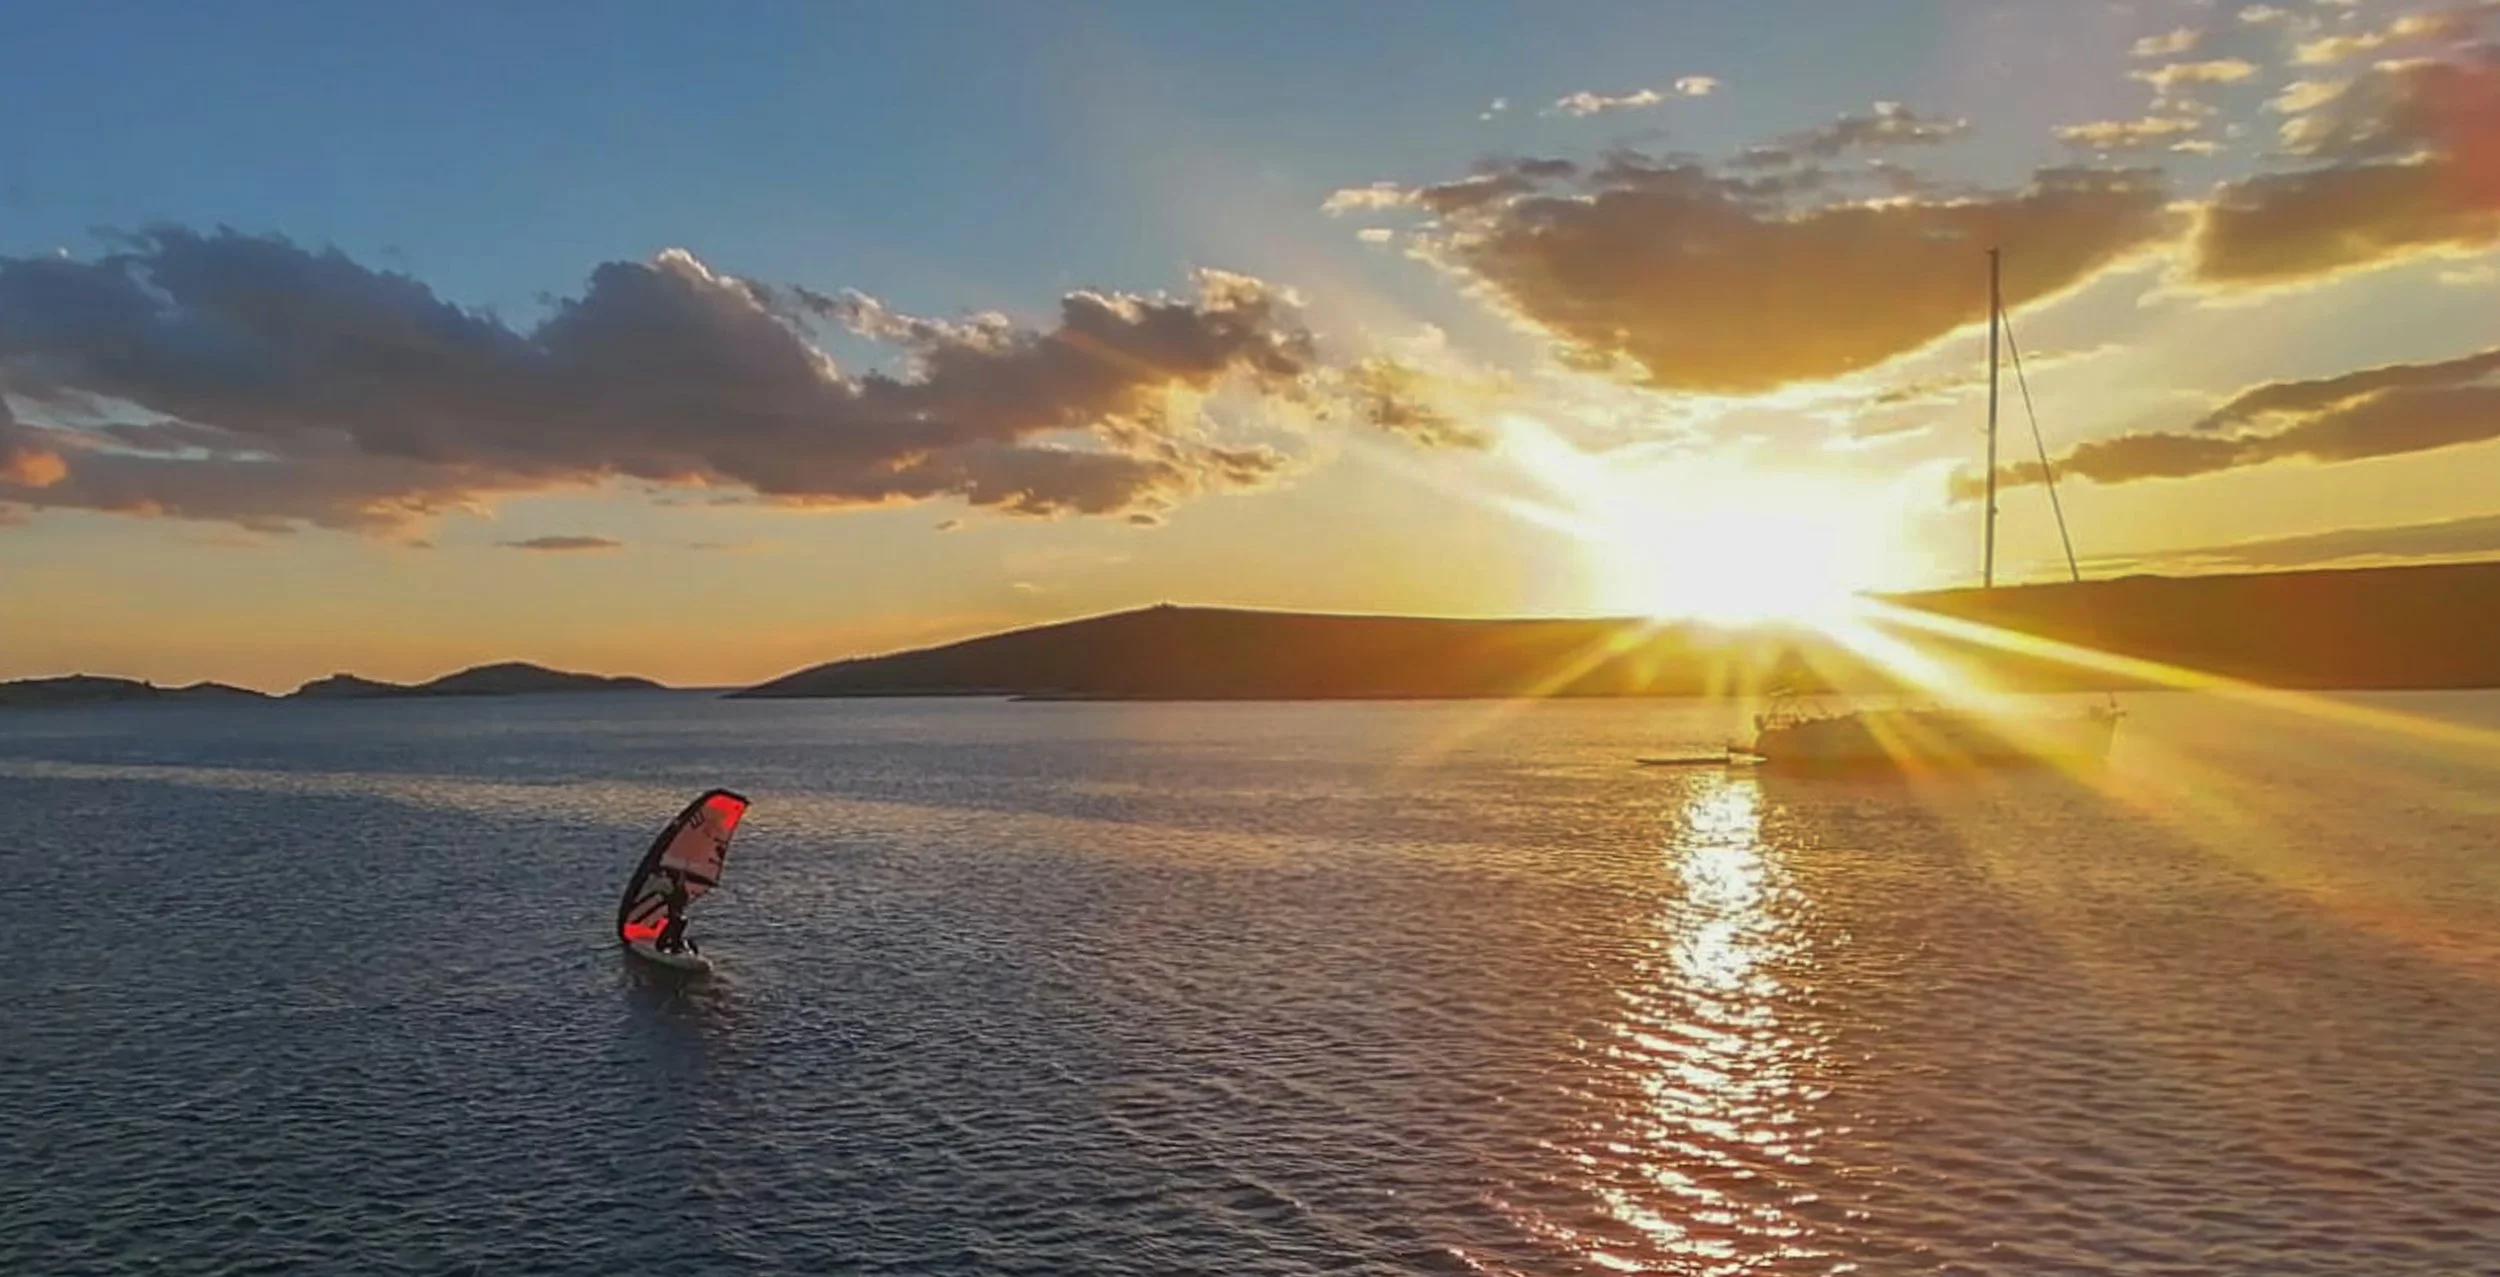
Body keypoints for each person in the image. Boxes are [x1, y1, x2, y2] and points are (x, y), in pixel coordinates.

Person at [655, 874, 692, 953]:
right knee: (669, 939)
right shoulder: (680, 891)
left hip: (676, 920)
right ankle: (678, 945)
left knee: (663, 943)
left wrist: (664, 895)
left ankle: (676, 947)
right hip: (678, 919)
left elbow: (672, 900)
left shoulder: (680, 892)